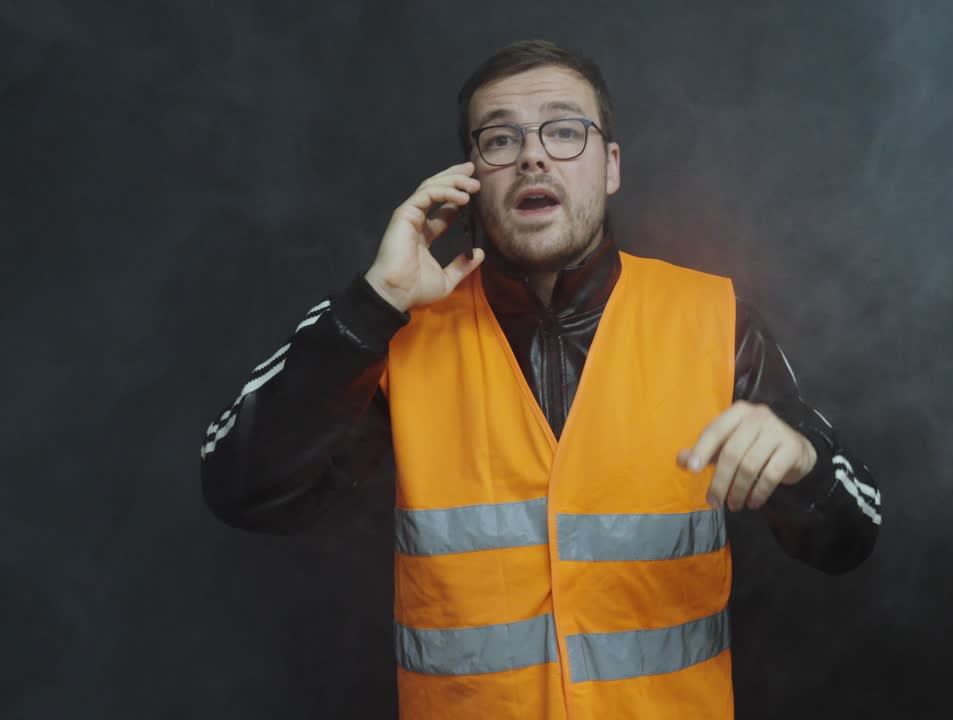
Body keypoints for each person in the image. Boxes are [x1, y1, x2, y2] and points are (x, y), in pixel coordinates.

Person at [200, 38, 882, 720]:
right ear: (471, 177)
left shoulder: (716, 318)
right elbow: (244, 491)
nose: (533, 155)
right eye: (501, 139)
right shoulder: (395, 332)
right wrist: (372, 306)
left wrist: (805, 467)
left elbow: (850, 539)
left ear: (610, 166)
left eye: (563, 130)